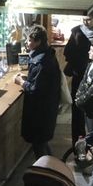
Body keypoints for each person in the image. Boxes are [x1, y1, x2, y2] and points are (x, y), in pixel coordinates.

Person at [21, 27, 63, 158]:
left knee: (39, 145)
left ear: (38, 42)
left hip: (40, 112)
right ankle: (50, 169)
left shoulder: (41, 62)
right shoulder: (47, 55)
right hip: (47, 110)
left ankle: (44, 173)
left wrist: (21, 82)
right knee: (42, 143)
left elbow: (35, 88)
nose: (27, 43)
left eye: (29, 40)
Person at [64, 13, 93, 142]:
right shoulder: (76, 31)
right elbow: (67, 52)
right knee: (77, 113)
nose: (86, 22)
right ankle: (78, 147)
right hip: (79, 76)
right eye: (84, 19)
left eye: (89, 19)